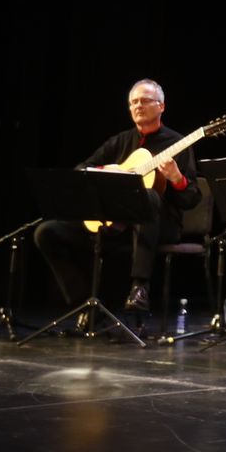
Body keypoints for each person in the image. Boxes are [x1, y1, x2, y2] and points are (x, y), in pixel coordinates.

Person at [32, 79, 202, 332]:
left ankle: (139, 287)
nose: (138, 106)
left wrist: (177, 179)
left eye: (145, 100)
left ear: (161, 106)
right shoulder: (121, 141)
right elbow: (81, 171)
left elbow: (192, 198)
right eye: (133, 102)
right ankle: (85, 305)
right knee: (46, 232)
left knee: (150, 196)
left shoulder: (179, 143)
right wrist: (108, 170)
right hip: (115, 225)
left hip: (159, 226)